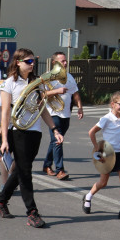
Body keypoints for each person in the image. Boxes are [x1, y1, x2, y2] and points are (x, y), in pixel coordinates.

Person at [0, 49, 64, 228]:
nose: (32, 64)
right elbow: (6, 111)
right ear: (18, 62)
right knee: (25, 172)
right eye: (28, 61)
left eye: (33, 62)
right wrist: (5, 139)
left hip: (34, 131)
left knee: (21, 169)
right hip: (17, 131)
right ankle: (32, 212)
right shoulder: (9, 83)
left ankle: (0, 201)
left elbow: (42, 109)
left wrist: (54, 129)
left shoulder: (36, 82)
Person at [84, 91, 120, 219]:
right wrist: (97, 149)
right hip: (108, 154)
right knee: (103, 182)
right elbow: (91, 132)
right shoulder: (106, 119)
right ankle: (88, 196)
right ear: (113, 104)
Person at [42, 51, 83, 180]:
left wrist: (80, 107)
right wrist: (57, 91)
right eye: (62, 61)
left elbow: (75, 93)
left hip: (65, 114)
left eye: (65, 61)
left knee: (55, 141)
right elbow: (41, 95)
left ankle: (47, 165)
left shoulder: (69, 76)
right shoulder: (47, 77)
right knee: (58, 141)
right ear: (54, 63)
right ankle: (60, 170)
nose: (65, 63)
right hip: (52, 113)